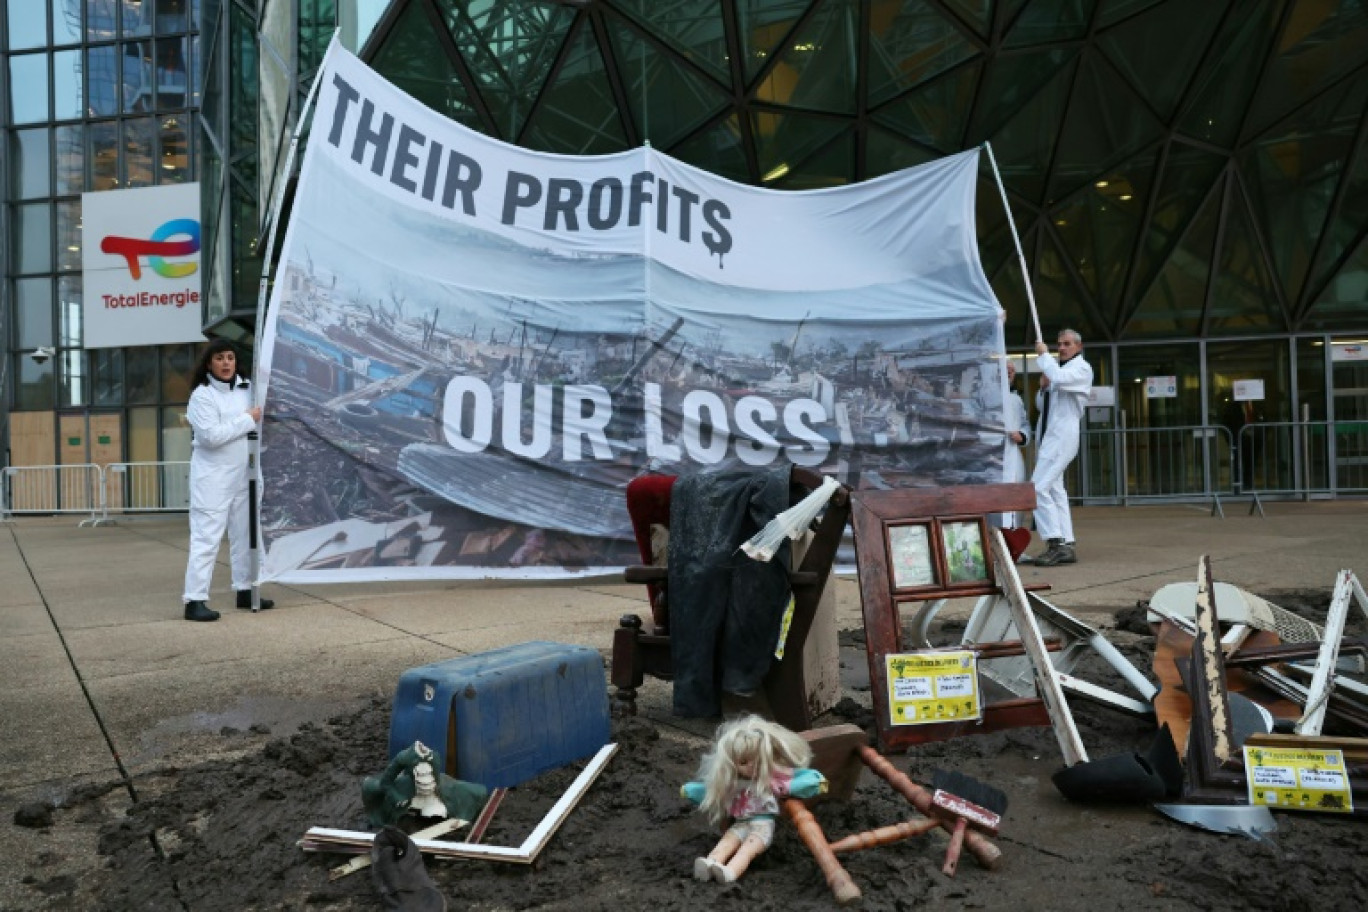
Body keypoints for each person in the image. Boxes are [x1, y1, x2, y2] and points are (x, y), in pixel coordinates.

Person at [181, 339, 273, 621]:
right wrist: (247, 420)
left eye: (230, 357)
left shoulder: (248, 390)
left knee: (246, 535)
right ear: (209, 363)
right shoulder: (202, 396)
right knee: (206, 538)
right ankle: (194, 599)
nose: (226, 363)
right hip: (213, 478)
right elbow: (210, 437)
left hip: (245, 474)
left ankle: (245, 589)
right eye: (219, 358)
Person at [681, 715, 827, 884]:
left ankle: (730, 872)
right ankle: (710, 863)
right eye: (743, 762)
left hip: (762, 826)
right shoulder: (735, 784)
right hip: (740, 823)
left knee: (747, 850)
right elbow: (710, 790)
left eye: (757, 761)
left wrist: (815, 782)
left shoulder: (772, 781)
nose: (751, 766)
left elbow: (796, 781)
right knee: (726, 841)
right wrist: (690, 790)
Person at [1024, 329, 1093, 566]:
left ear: (1078, 347)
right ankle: (1067, 541)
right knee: (1054, 489)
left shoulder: (1081, 369)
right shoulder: (1059, 371)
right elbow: (1044, 406)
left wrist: (1043, 357)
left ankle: (1055, 542)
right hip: (1050, 436)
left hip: (1062, 436)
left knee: (1037, 488)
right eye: (1059, 344)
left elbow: (1061, 380)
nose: (1061, 348)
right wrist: (1043, 388)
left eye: (1067, 344)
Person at [998, 360, 1032, 528]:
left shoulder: (1016, 399)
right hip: (995, 456)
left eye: (1012, 370)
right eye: (1006, 369)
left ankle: (1015, 546)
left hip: (1013, 455)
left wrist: (1023, 436)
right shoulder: (989, 397)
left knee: (1016, 498)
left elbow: (1025, 424)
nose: (1010, 372)